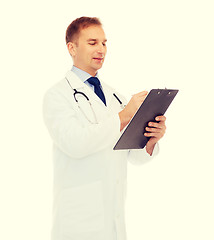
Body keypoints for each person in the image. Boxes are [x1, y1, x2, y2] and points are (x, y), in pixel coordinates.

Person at [43, 16, 166, 240]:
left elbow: (133, 157)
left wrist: (150, 139)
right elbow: (75, 144)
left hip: (114, 218)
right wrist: (125, 115)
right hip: (78, 221)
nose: (101, 49)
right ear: (72, 47)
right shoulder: (57, 95)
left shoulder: (114, 95)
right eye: (92, 42)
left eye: (104, 42)